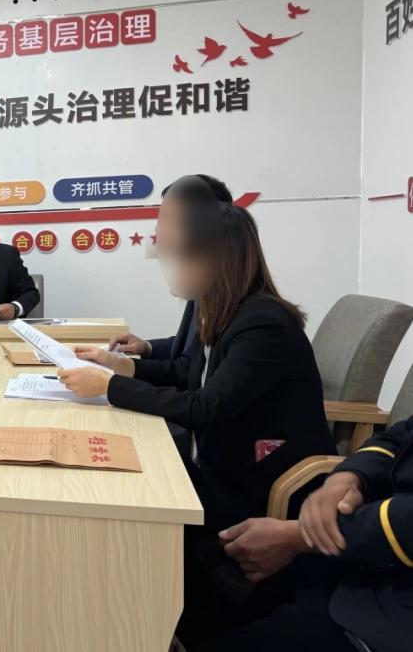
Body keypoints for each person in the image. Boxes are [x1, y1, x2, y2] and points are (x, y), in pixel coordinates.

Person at [60, 194, 335, 525]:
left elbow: (206, 407)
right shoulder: (220, 308)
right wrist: (123, 365)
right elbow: (186, 371)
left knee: (126, 499)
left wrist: (110, 386)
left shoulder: (263, 324)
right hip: (218, 459)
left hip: (260, 483)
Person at [194, 418, 413, 652]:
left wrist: (299, 536)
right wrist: (350, 476)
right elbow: (398, 436)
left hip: (388, 618)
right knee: (207, 574)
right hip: (364, 560)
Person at [109, 174, 233, 360]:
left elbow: (192, 370)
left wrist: (117, 375)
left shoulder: (239, 306)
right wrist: (147, 347)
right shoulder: (202, 283)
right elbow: (189, 350)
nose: (159, 230)